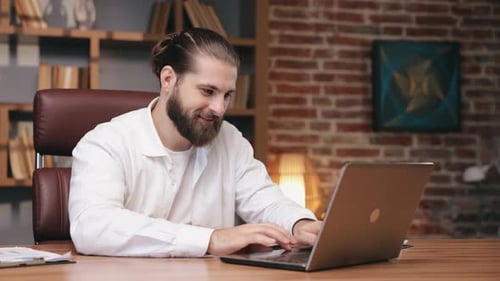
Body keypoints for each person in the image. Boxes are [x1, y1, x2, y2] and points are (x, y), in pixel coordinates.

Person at [68, 28, 321, 258]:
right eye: (208, 92)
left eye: (227, 95)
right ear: (168, 80)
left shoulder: (229, 140)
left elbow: (267, 200)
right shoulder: (106, 142)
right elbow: (92, 225)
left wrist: (299, 224)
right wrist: (210, 239)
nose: (219, 109)